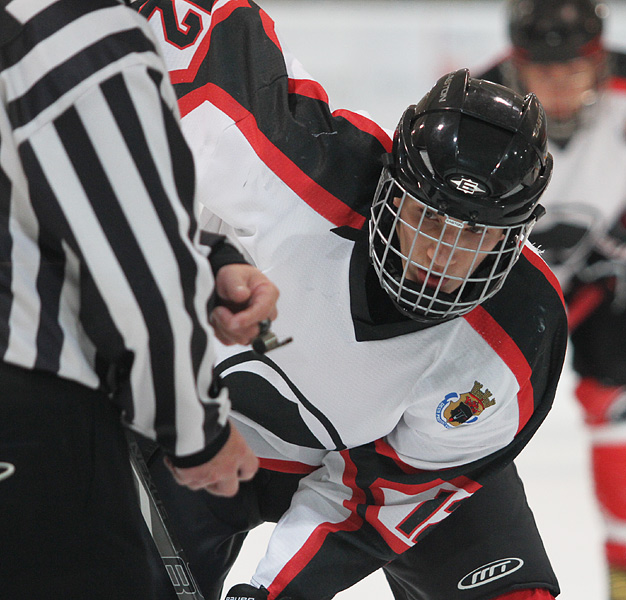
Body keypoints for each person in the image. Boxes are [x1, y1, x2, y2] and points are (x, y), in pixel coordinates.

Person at [137, 1, 569, 599]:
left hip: (388, 464)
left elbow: (376, 501)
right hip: (207, 440)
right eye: (427, 218)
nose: (438, 254)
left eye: (472, 233)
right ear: (388, 190)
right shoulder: (295, 168)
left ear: (514, 240)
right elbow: (189, 40)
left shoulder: (514, 341)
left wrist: (271, 592)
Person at [0, 1, 274, 596]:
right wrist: (194, 430)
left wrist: (208, 260)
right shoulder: (74, 27)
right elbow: (136, 266)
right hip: (32, 415)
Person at [477, 1, 626, 598]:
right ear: (515, 65)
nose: (559, 85)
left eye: (574, 68)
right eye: (543, 70)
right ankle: (471, 573)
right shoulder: (478, 109)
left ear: (600, 61)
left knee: (620, 410)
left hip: (616, 275)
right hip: (506, 279)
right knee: (468, 418)